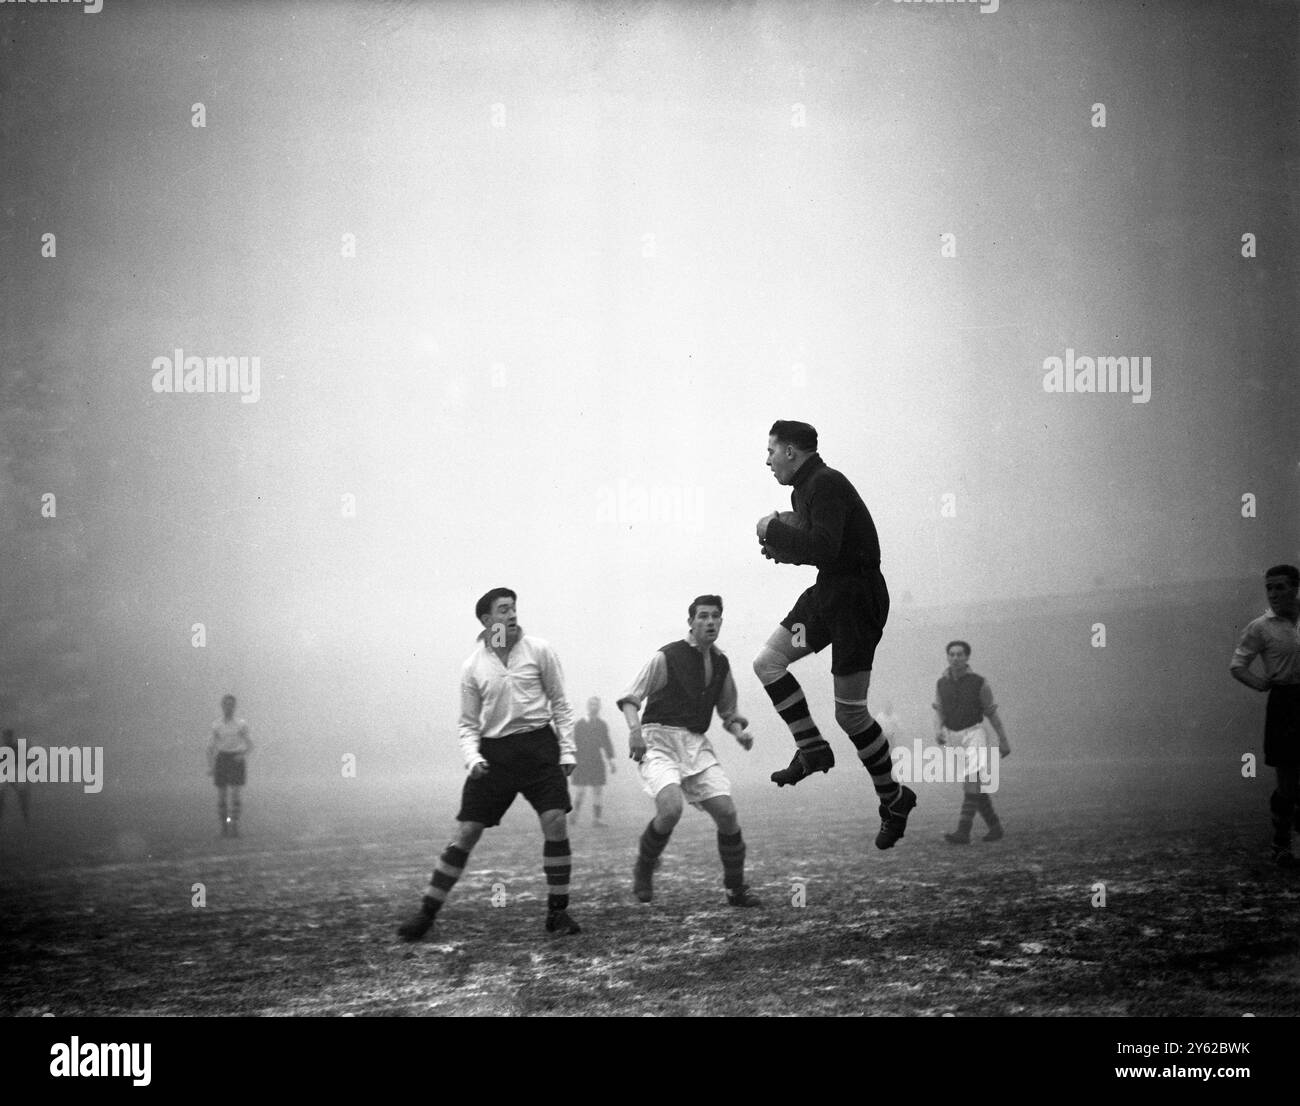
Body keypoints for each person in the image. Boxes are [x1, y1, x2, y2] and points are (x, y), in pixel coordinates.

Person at [753, 420, 916, 849]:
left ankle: (893, 798)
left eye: (771, 451)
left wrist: (771, 529)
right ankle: (812, 749)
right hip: (830, 591)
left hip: (857, 599)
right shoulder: (804, 490)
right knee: (767, 662)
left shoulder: (826, 483)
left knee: (851, 714)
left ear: (791, 451)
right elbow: (822, 550)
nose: (766, 460)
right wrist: (786, 550)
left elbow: (824, 547)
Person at [398, 587, 581, 940]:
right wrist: (473, 759)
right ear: (486, 621)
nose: (512, 615)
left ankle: (558, 913)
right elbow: (467, 725)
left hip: (539, 747)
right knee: (467, 832)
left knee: (555, 822)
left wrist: (568, 751)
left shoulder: (539, 651)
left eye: (514, 608)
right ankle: (426, 914)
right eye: (503, 610)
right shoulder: (473, 666)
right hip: (495, 754)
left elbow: (560, 703)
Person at [619, 595, 762, 906]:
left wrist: (739, 732)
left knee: (726, 812)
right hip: (657, 740)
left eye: (715, 617)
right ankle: (644, 868)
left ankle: (736, 890)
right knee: (670, 810)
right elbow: (630, 698)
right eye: (703, 617)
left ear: (721, 622)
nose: (710, 622)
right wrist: (635, 733)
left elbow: (728, 710)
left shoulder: (721, 663)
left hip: (695, 743)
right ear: (691, 622)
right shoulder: (667, 657)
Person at [1230, 564, 1300, 868]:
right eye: (1269, 588)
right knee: (1287, 782)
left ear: (1296, 588)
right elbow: (1238, 664)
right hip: (1284, 703)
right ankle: (1282, 843)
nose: (1273, 593)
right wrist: (1260, 684)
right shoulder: (1261, 626)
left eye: (1280, 586)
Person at [933, 641, 1011, 843]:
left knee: (971, 783)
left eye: (960, 654)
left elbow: (992, 713)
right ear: (947, 657)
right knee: (974, 785)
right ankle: (995, 827)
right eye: (952, 654)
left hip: (974, 735)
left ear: (967, 657)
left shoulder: (979, 682)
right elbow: (939, 710)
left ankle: (963, 832)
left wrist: (1003, 740)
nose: (955, 658)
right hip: (953, 736)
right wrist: (938, 730)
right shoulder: (941, 683)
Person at [207, 695, 252, 837]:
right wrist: (211, 766)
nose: (229, 707)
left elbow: (250, 745)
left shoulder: (241, 724)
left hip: (236, 759)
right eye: (226, 704)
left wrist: (242, 755)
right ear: (222, 706)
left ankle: (234, 825)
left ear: (235, 706)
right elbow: (210, 748)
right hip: (222, 759)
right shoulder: (217, 725)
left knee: (235, 795)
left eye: (231, 705)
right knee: (222, 796)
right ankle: (224, 826)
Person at [571, 697, 616, 826]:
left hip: (596, 760)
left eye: (596, 705)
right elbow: (574, 743)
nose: (593, 707)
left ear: (599, 707)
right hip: (582, 760)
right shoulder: (580, 724)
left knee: (598, 790)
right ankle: (574, 814)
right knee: (580, 791)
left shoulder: (602, 725)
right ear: (587, 706)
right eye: (591, 704)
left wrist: (611, 760)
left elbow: (606, 743)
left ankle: (597, 819)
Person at [0, 729, 31, 827]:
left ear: (11, 737)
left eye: (7, 736)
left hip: (16, 773)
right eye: (5, 737)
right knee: (1, 794)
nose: (6, 739)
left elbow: (27, 756)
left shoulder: (16, 748)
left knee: (22, 794)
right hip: (6, 774)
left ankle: (25, 816)